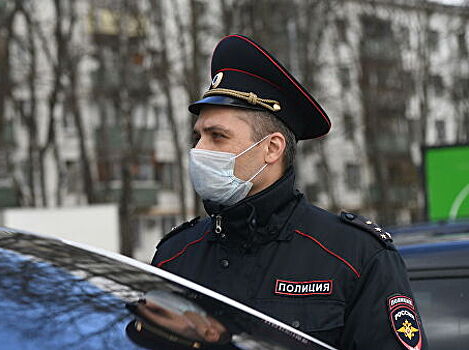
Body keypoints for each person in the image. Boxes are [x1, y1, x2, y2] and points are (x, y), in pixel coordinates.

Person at [151, 34, 426, 350]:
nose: (199, 150)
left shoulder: (354, 256)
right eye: (198, 136)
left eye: (217, 137)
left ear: (271, 148)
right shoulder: (175, 255)